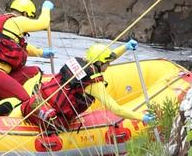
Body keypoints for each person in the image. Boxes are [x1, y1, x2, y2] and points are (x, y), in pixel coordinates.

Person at [25, 40, 155, 129]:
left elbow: (106, 57)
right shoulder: (93, 83)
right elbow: (116, 109)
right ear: (99, 63)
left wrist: (125, 47)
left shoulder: (80, 61)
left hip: (38, 99)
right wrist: (141, 117)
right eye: (107, 63)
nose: (109, 65)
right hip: (56, 119)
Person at [0, 0, 57, 120]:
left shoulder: (6, 24)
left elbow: (22, 47)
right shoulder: (18, 21)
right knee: (24, 100)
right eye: (29, 17)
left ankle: (27, 98)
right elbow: (43, 23)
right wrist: (46, 9)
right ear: (25, 13)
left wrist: (42, 53)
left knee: (35, 72)